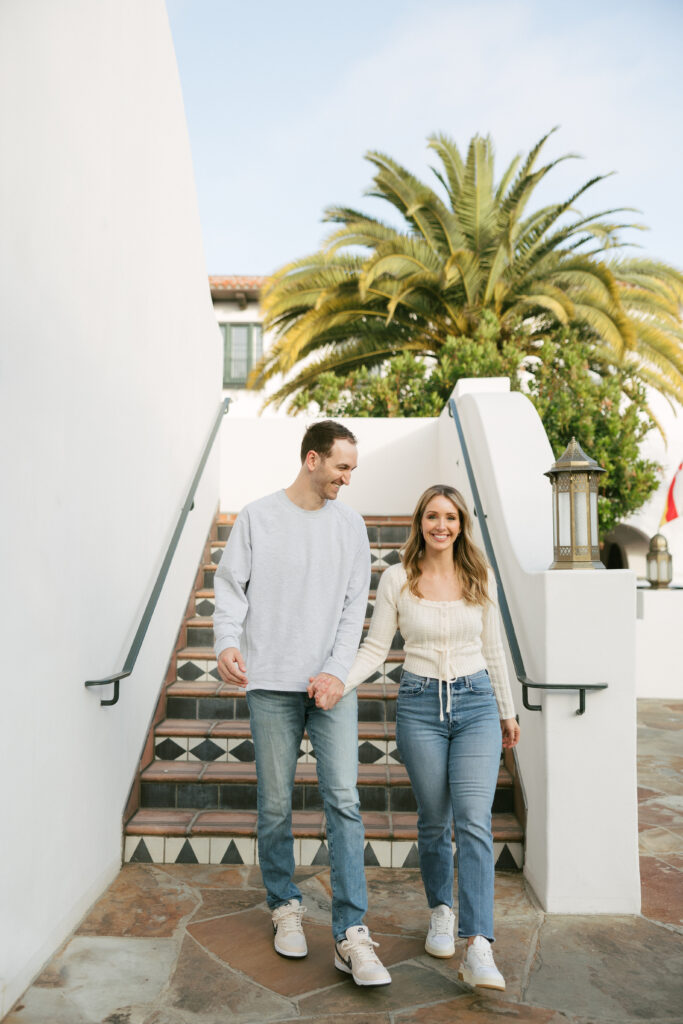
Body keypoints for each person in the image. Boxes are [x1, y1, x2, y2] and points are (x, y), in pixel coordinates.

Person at [213, 420, 391, 987]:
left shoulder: (351, 526)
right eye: (342, 467)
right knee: (275, 804)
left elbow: (351, 610)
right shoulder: (257, 517)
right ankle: (284, 905)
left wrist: (337, 672)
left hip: (331, 687)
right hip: (269, 683)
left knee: (343, 800)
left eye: (352, 469)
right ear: (312, 459)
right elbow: (229, 588)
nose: (347, 478)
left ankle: (350, 934)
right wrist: (225, 643)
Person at [340, 483, 520, 991]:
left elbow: (495, 649)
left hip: (477, 703)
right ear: (420, 522)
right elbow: (377, 649)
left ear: (462, 526)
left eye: (452, 518)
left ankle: (479, 944)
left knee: (474, 820)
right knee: (434, 818)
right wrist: (339, 681)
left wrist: (507, 711)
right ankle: (441, 909)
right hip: (419, 704)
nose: (442, 526)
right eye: (433, 516)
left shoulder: (478, 575)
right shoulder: (398, 578)